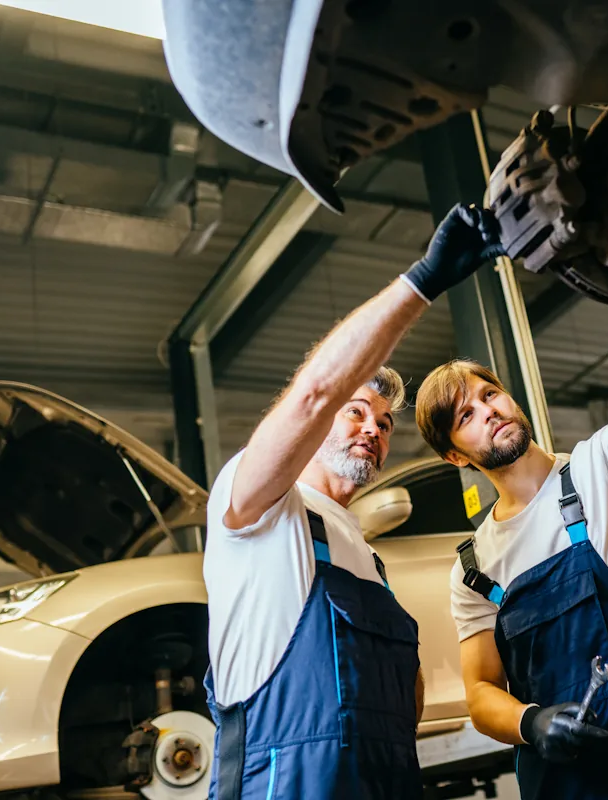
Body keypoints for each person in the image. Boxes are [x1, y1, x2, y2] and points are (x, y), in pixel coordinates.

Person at [201, 203, 505, 800]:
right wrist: (424, 281)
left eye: (387, 423)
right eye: (356, 412)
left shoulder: (367, 558)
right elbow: (316, 392)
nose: (374, 428)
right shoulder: (261, 508)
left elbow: (403, 698)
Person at [414, 285, 608, 799]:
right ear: (456, 458)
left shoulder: (603, 472)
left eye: (489, 394)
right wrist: (531, 723)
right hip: (560, 785)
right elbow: (481, 693)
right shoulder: (474, 568)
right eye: (465, 416)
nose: (488, 410)